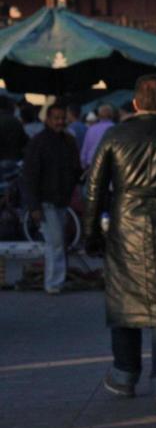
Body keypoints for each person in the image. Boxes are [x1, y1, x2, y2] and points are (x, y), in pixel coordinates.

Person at [84, 74, 156, 405]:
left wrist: (91, 232)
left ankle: (124, 374)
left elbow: (93, 189)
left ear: (136, 103)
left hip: (126, 226)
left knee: (125, 302)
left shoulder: (115, 135)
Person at [22, 103, 81, 295]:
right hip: (47, 200)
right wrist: (34, 206)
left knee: (56, 242)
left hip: (60, 199)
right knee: (55, 242)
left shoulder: (67, 141)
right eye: (56, 118)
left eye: (62, 118)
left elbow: (74, 168)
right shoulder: (39, 143)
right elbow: (30, 176)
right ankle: (54, 282)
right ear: (47, 119)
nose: (60, 121)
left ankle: (56, 281)